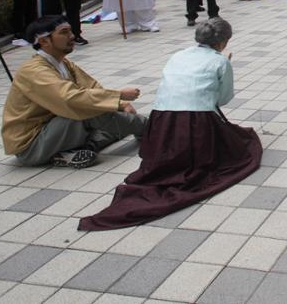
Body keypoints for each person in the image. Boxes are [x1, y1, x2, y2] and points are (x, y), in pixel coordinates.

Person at [78, 18, 261, 230]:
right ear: (222, 42)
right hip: (196, 122)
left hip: (161, 119)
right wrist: (224, 63)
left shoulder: (178, 55)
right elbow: (223, 99)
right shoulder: (221, 61)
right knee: (240, 149)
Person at [2, 15, 147, 169]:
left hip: (54, 130)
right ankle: (152, 128)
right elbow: (70, 98)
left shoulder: (62, 63)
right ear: (44, 41)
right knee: (89, 111)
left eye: (70, 31)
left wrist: (119, 104)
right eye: (64, 32)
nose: (71, 36)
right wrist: (118, 96)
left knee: (111, 120)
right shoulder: (33, 71)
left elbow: (90, 87)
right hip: (32, 147)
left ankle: (77, 151)